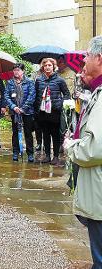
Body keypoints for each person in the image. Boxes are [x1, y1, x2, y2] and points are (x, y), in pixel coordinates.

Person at [64, 35, 102, 269]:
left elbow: (95, 148)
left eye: (87, 55)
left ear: (99, 58)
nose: (84, 60)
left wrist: (71, 148)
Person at [35, 57, 69, 165]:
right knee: (45, 134)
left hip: (55, 112)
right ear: (43, 67)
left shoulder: (60, 80)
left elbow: (67, 95)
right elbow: (36, 95)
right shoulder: (39, 80)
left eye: (50, 65)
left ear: (53, 67)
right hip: (42, 112)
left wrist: (59, 103)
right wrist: (36, 109)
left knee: (55, 134)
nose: (47, 67)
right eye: (45, 65)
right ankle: (47, 156)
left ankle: (55, 156)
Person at [4, 63, 36, 162]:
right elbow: (6, 96)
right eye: (14, 70)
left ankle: (30, 153)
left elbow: (32, 96)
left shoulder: (29, 82)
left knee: (28, 133)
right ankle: (15, 152)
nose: (16, 72)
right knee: (15, 132)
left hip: (27, 112)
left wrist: (23, 108)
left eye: (18, 70)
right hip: (15, 112)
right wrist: (14, 107)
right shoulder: (10, 83)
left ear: (23, 71)